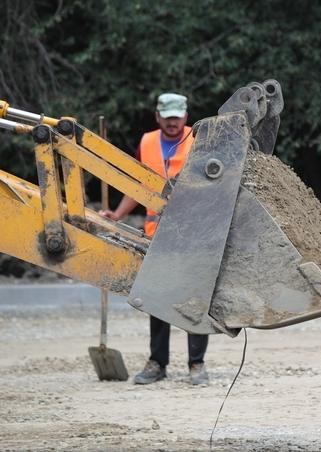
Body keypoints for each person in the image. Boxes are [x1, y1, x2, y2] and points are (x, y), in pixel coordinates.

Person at [101, 93, 210, 386]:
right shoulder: (147, 142)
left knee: (194, 300)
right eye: (168, 117)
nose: (173, 123)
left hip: (194, 235)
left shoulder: (200, 140)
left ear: (186, 117)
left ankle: (197, 364)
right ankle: (157, 363)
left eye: (177, 117)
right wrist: (118, 215)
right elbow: (138, 184)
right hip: (158, 236)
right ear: (158, 116)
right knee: (157, 299)